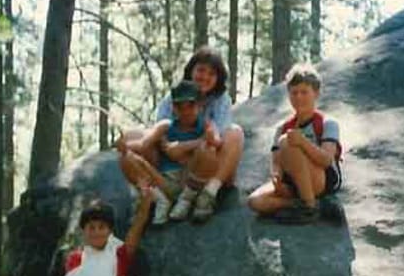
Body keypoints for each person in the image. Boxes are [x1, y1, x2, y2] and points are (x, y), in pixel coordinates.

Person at [118, 47, 245, 223]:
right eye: (201, 70)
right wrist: (165, 148)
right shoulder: (174, 96)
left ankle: (208, 194)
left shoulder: (221, 100)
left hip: (206, 164)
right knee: (133, 135)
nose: (205, 77)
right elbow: (159, 132)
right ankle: (153, 196)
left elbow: (218, 139)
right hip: (171, 168)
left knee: (234, 133)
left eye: (211, 73)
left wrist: (184, 147)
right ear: (191, 70)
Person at [247, 63, 344, 224]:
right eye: (294, 93)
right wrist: (277, 177)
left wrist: (303, 143)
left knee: (287, 141)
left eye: (304, 92)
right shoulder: (283, 127)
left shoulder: (327, 123)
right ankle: (312, 206)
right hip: (292, 183)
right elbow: (276, 159)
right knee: (255, 201)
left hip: (319, 180)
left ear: (316, 93)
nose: (299, 97)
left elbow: (327, 160)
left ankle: (309, 207)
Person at [117, 81, 216, 225]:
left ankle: (186, 200)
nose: (186, 111)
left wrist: (182, 146)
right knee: (126, 158)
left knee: (208, 151)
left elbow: (213, 142)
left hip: (190, 180)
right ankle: (160, 201)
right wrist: (124, 146)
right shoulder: (165, 126)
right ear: (173, 108)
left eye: (191, 105)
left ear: (200, 106)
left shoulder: (205, 125)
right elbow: (143, 144)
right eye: (180, 106)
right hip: (164, 181)